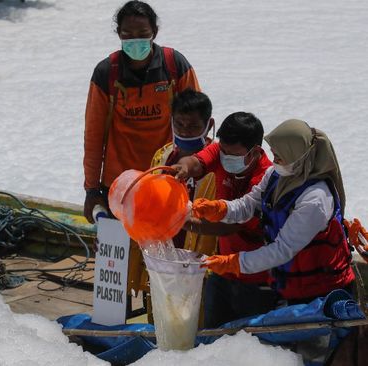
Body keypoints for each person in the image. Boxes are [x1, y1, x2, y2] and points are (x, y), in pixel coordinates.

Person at [195, 119, 355, 305]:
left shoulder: (315, 199)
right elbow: (249, 204)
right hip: (288, 287)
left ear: (299, 156)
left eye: (280, 156)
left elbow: (283, 249)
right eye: (274, 154)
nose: (274, 160)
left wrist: (234, 263)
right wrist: (220, 209)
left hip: (322, 293)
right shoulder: (276, 175)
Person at [82, 0, 200, 224]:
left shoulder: (174, 65)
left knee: (161, 252)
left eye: (142, 33)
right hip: (119, 185)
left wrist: (197, 170)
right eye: (127, 34)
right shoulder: (106, 73)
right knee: (118, 256)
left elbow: (197, 125)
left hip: (166, 180)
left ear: (154, 32)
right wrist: (91, 189)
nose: (135, 40)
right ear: (118, 34)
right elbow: (94, 135)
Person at [171, 112, 276, 328]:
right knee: (211, 340)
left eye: (233, 155)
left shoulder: (265, 179)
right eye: (223, 151)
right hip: (221, 271)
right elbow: (197, 162)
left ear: (255, 151)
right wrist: (183, 168)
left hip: (256, 280)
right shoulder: (222, 151)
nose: (225, 158)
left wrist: (180, 220)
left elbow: (226, 227)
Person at [126, 90, 218, 299]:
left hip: (200, 258)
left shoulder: (218, 167)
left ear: (209, 125)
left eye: (193, 126)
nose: (185, 132)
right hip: (163, 256)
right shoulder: (162, 158)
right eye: (179, 125)